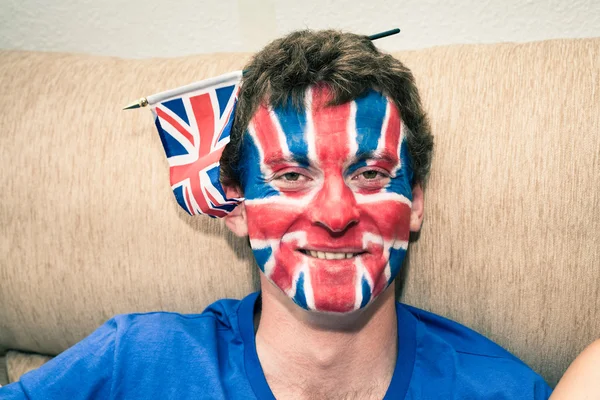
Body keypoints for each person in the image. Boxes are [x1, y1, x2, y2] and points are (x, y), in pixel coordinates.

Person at [0, 29, 552, 399]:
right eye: (291, 176)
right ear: (236, 205)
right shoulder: (132, 363)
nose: (337, 213)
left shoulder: (500, 389)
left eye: (370, 175)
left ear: (416, 204)